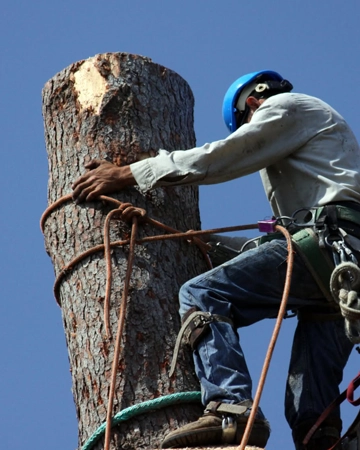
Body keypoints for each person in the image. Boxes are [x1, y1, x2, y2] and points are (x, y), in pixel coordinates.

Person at [72, 70, 360, 449]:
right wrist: (207, 244)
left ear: (252, 104)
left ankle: (231, 408)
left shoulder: (286, 107)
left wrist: (131, 172)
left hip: (329, 249)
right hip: (340, 275)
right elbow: (280, 242)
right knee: (309, 405)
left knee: (201, 294)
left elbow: (224, 155)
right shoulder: (320, 154)